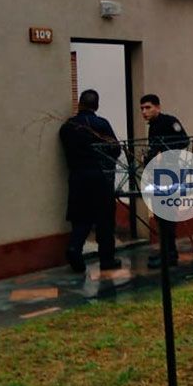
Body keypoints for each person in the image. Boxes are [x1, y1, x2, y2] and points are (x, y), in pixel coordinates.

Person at [59, 89, 122, 272]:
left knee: (81, 218)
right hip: (100, 177)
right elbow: (115, 149)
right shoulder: (101, 124)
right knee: (104, 219)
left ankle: (74, 248)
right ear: (96, 105)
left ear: (79, 103)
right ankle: (107, 259)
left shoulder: (67, 127)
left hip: (77, 177)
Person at [140, 94, 190, 268]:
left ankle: (170, 255)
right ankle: (166, 252)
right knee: (161, 217)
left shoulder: (169, 121)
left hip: (170, 174)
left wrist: (165, 152)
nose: (144, 112)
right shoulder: (153, 126)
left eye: (148, 107)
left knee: (167, 216)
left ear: (157, 107)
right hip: (157, 175)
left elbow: (184, 140)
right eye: (142, 109)